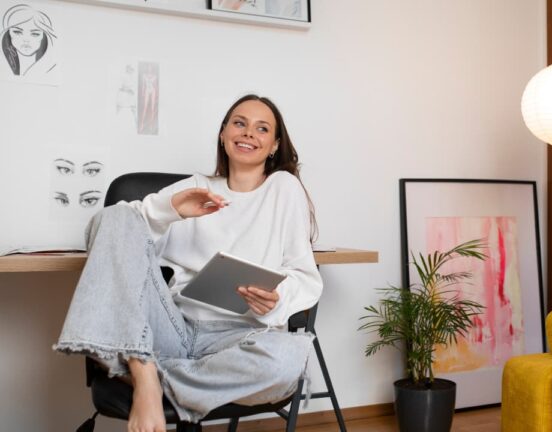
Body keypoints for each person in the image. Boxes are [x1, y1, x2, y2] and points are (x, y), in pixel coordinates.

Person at [54, 94, 323, 432]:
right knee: (117, 214)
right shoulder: (196, 188)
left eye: (262, 128)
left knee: (287, 362)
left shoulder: (284, 189)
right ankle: (144, 370)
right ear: (224, 133)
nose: (248, 133)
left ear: (273, 145)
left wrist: (277, 299)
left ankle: (145, 372)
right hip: (172, 328)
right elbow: (107, 231)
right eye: (239, 123)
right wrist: (171, 211)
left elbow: (305, 276)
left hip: (238, 338)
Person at [0, 3, 57, 78]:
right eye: (17, 32)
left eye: (35, 34)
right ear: (8, 33)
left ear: (44, 36)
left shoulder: (51, 69)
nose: (26, 39)